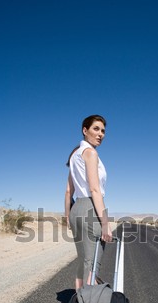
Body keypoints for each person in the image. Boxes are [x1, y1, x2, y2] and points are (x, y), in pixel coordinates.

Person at [65, 115, 112, 289]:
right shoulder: (91, 153)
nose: (101, 134)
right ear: (85, 130)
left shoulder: (74, 155)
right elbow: (94, 190)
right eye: (96, 129)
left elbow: (68, 191)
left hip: (76, 209)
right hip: (90, 208)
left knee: (83, 262)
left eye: (103, 131)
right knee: (92, 264)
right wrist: (105, 223)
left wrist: (68, 217)